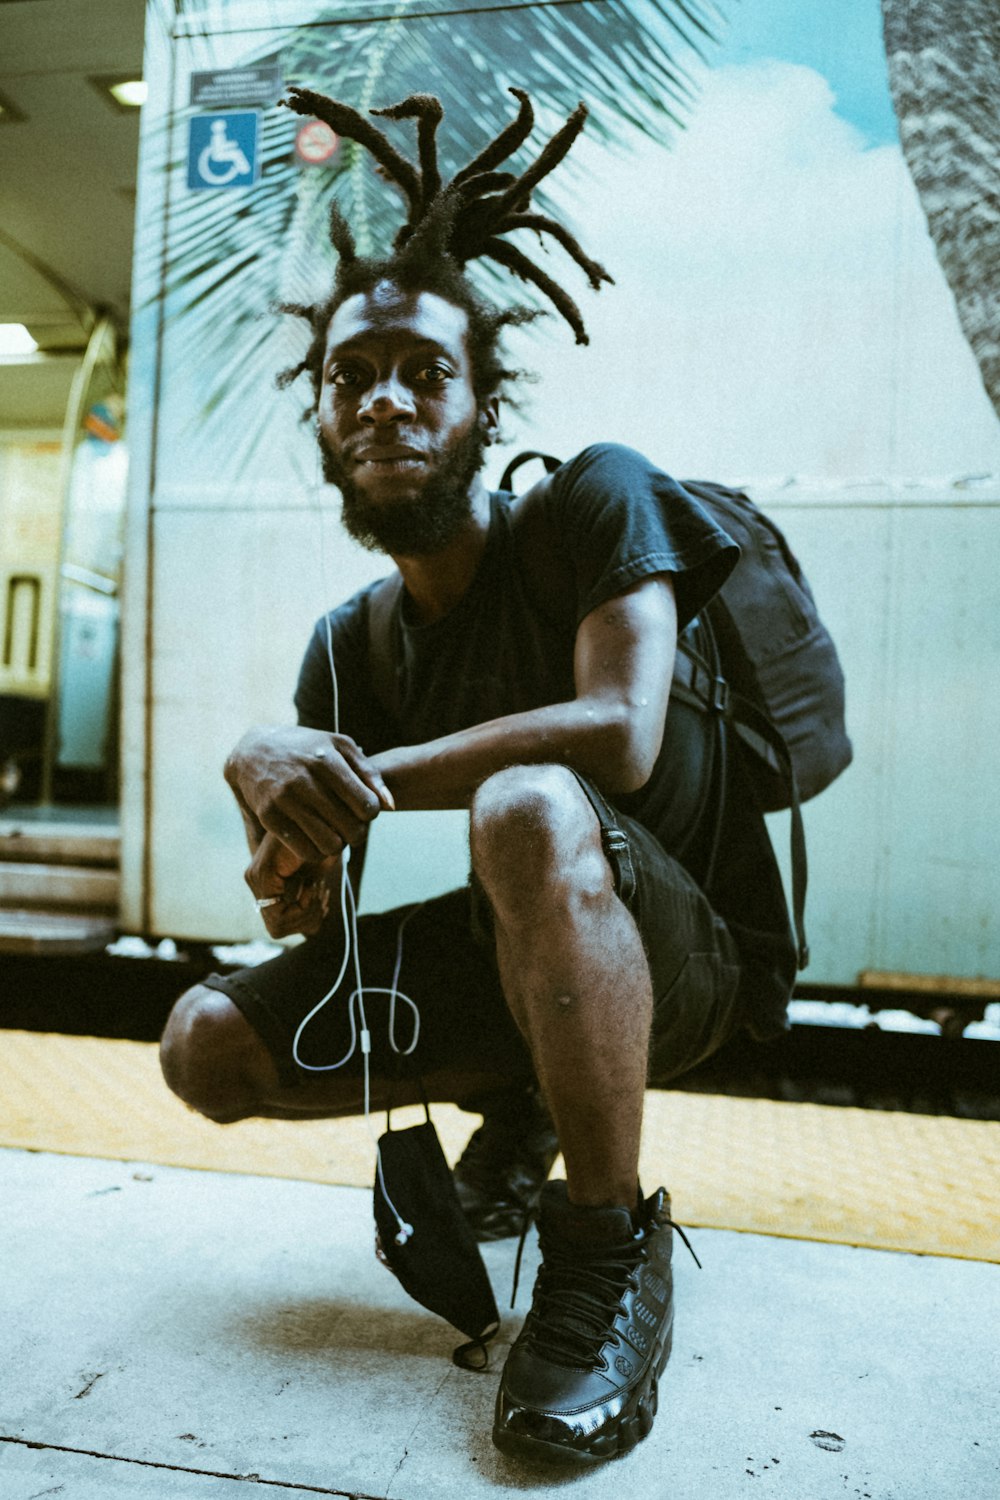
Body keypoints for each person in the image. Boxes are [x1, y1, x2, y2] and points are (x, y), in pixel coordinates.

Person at [159, 85, 796, 1465]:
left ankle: (607, 1242)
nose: (383, 397)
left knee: (526, 809)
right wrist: (273, 825)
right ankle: (520, 1106)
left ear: (480, 400)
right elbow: (305, 906)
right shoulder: (349, 646)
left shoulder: (596, 505)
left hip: (682, 961)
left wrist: (350, 771)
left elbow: (619, 731)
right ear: (324, 425)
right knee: (204, 1044)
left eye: (423, 373)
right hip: (530, 957)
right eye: (350, 377)